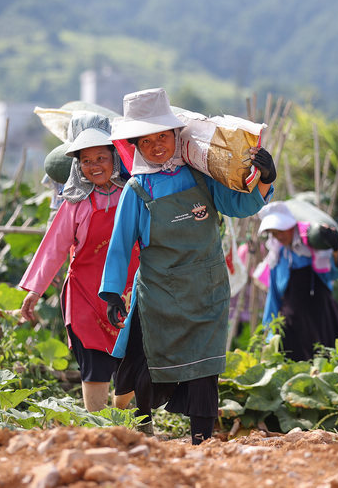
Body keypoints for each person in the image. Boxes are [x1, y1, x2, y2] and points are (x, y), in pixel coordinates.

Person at [98, 87, 276, 445]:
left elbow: (241, 206)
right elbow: (120, 245)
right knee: (146, 365)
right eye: (146, 141)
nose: (157, 145)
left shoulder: (200, 177)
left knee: (205, 366)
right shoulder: (137, 189)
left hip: (205, 291)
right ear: (135, 146)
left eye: (162, 135)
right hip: (159, 293)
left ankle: (201, 441)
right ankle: (142, 425)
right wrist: (113, 293)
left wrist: (267, 178)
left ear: (176, 135)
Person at [18, 113, 139, 412]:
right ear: (78, 166)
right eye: (86, 160)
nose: (95, 165)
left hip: (130, 293)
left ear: (115, 156)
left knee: (132, 362)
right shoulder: (75, 204)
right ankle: (97, 426)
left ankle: (132, 423)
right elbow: (53, 248)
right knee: (95, 365)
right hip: (85, 296)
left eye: (101, 157)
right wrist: (34, 291)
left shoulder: (133, 196)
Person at [258, 201, 338, 361]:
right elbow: (274, 297)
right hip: (291, 326)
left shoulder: (314, 250)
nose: (279, 236)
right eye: (274, 233)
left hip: (321, 318)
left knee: (327, 364)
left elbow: (334, 274)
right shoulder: (277, 257)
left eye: (281, 231)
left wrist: (336, 250)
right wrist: (269, 335)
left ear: (292, 226)